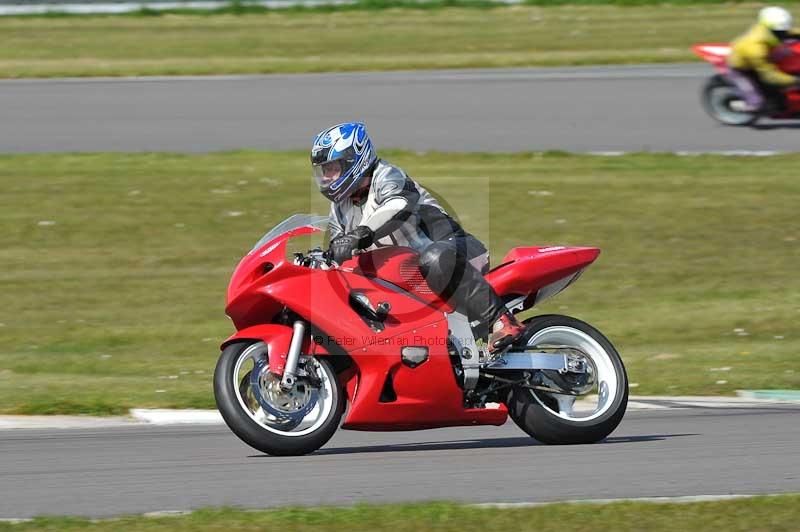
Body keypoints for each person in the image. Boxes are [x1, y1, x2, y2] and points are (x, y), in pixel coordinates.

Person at [310, 122, 525, 353]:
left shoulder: (388, 176)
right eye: (323, 171)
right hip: (411, 279)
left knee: (434, 258)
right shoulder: (340, 207)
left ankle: (503, 321)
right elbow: (338, 251)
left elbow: (397, 205)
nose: (326, 177)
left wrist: (359, 235)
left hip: (456, 255)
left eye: (332, 168)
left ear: (354, 161)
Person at [727, 6, 800, 113]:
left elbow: (788, 32)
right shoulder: (755, 49)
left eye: (783, 31)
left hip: (766, 54)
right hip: (743, 68)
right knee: (757, 104)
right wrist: (796, 81)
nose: (783, 34)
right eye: (779, 32)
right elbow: (769, 76)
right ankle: (734, 107)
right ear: (769, 29)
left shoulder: (771, 30)